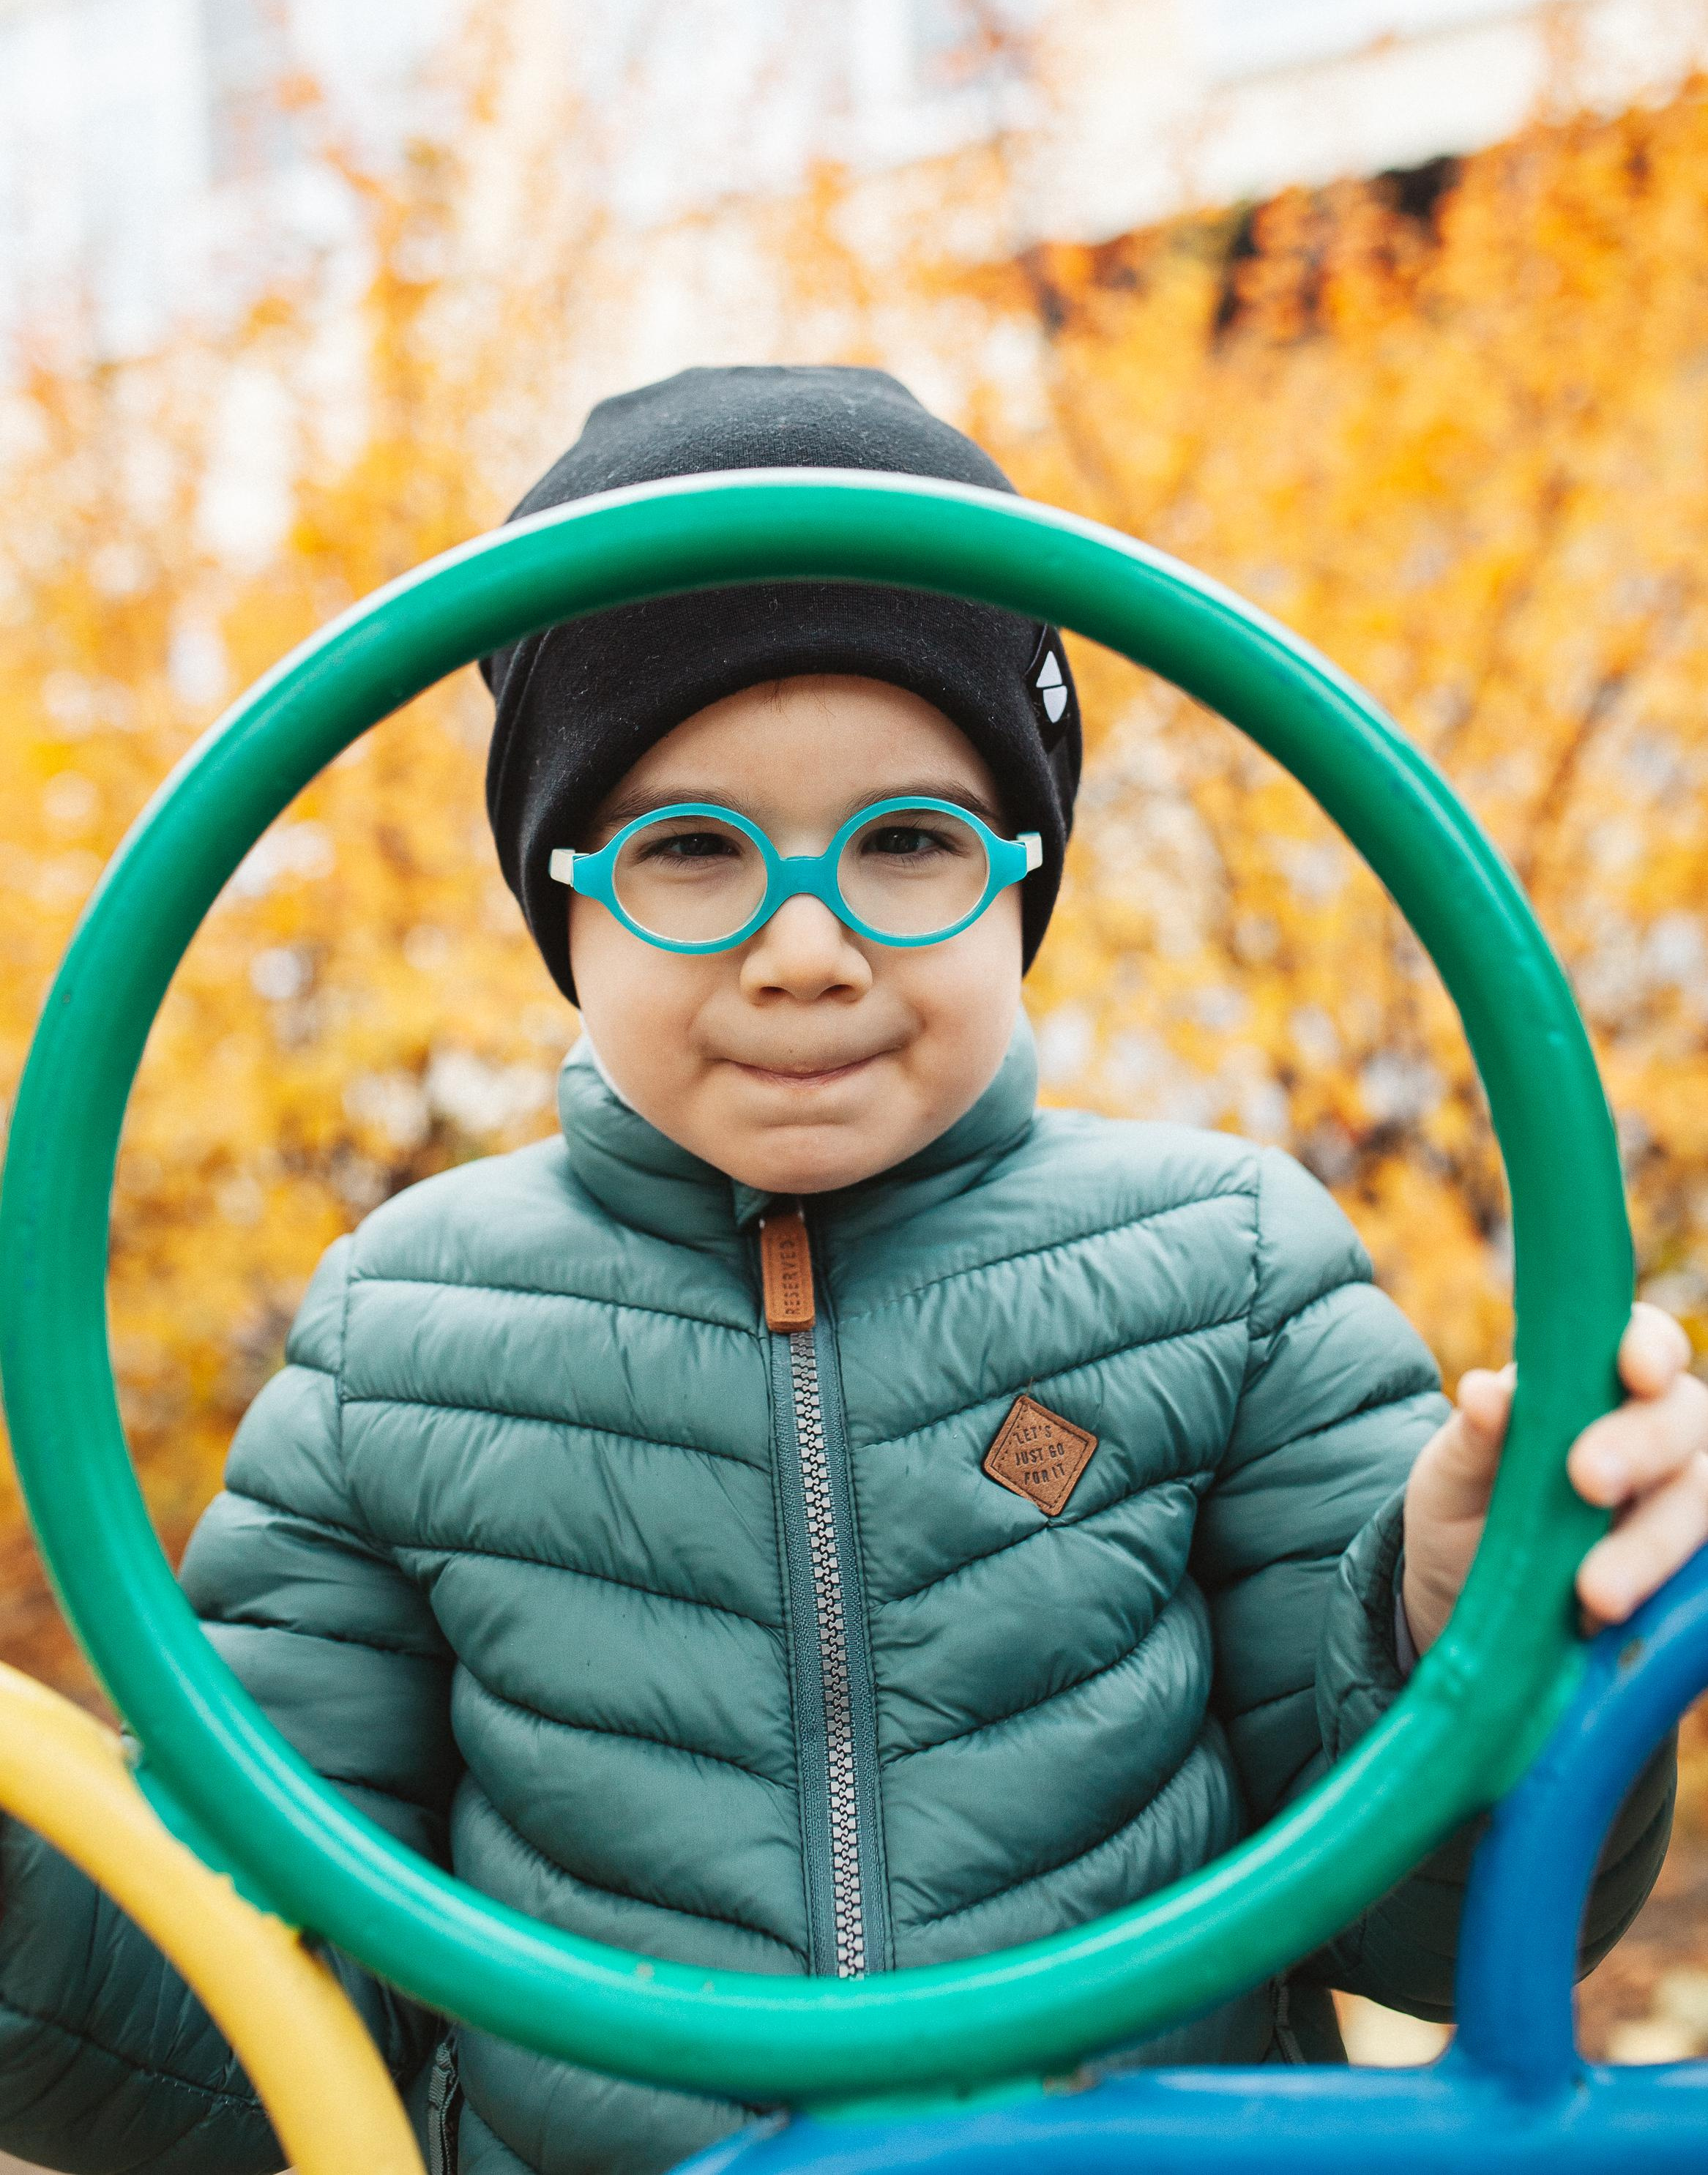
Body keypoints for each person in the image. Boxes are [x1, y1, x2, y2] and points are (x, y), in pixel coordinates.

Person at [0, 368, 1699, 2175]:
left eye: (907, 841)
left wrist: (1471, 1622)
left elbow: (1435, 1919)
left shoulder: (1230, 1271)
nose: (804, 945)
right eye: (687, 847)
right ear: (560, 898)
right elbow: (241, 2021)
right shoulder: (397, 1341)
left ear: (1022, 874)